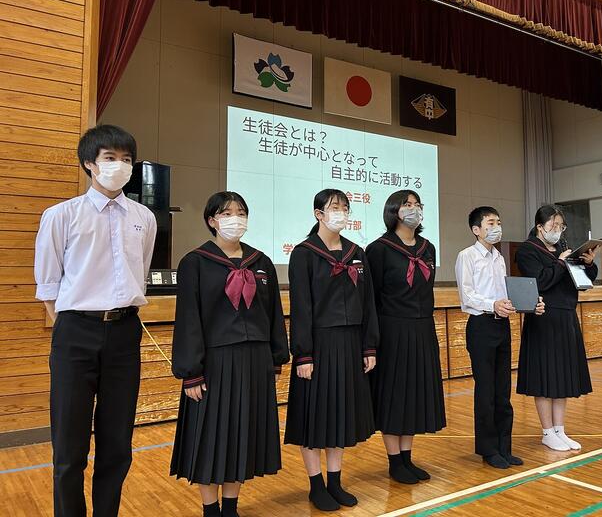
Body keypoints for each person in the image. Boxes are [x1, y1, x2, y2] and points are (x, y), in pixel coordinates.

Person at [34, 125, 157, 517]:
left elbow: (141, 272)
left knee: (117, 445)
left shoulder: (144, 218)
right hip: (75, 331)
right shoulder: (61, 216)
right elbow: (49, 285)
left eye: (126, 159)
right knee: (69, 447)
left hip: (125, 333)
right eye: (110, 158)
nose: (119, 165)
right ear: (89, 163)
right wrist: (75, 326)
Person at [170, 192, 289, 517]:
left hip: (255, 361)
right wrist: (191, 372)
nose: (235, 219)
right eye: (226, 213)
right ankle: (211, 509)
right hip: (215, 364)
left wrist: (277, 356)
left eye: (241, 212)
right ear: (212, 220)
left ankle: (231, 508)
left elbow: (273, 313)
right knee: (210, 437)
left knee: (242, 434)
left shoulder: (261, 262)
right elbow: (189, 319)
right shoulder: (195, 262)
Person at [284, 189, 379, 511]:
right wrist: (304, 354)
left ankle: (335, 482)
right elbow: (301, 307)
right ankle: (316, 485)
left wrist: (369, 346)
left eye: (345, 207)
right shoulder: (304, 253)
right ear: (319, 214)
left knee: (340, 415)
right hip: (318, 345)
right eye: (334, 207)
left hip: (351, 344)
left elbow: (368, 303)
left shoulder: (357, 252)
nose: (341, 212)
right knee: (314, 417)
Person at [455, 206, 544, 469]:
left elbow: (505, 291)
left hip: (502, 325)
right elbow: (467, 295)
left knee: (503, 390)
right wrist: (492, 304)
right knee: (486, 391)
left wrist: (528, 302)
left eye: (499, 222)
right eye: (491, 223)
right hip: (481, 326)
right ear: (476, 229)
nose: (497, 227)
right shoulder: (467, 256)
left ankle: (505, 447)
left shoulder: (499, 257)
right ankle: (488, 450)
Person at [366, 190, 445, 485]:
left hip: (422, 328)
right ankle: (394, 461)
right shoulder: (379, 249)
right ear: (393, 211)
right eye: (406, 204)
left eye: (417, 204)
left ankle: (407, 458)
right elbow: (371, 298)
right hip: (392, 331)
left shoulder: (427, 248)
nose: (414, 209)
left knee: (414, 394)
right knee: (394, 395)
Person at [515, 204, 596, 452]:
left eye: (561, 225)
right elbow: (540, 281)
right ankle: (547, 432)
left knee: (562, 376)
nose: (558, 230)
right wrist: (561, 263)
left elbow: (583, 280)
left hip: (566, 316)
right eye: (553, 225)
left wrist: (588, 264)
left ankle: (560, 430)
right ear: (540, 226)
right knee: (545, 376)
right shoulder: (527, 250)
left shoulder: (562, 248)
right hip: (543, 316)